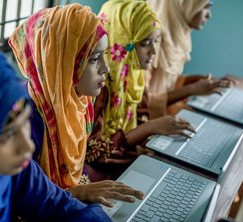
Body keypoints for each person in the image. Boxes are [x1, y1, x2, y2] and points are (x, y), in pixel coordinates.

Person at [0, 41, 111, 221]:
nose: (28, 146)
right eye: (9, 134)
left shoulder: (15, 171)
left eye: (25, 121)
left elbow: (57, 204)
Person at [9, 4, 143, 208]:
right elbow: (17, 200)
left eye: (105, 55)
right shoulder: (25, 119)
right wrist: (75, 193)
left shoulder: (79, 101)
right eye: (95, 59)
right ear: (62, 63)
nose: (106, 68)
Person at [84, 0, 195, 182]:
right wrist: (148, 128)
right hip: (98, 178)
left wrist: (138, 147)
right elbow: (92, 152)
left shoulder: (134, 76)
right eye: (144, 44)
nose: (153, 51)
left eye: (156, 41)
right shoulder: (99, 85)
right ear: (122, 42)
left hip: (124, 165)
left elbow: (141, 116)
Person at [146, 0, 234, 118]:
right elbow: (141, 104)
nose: (209, 15)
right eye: (205, 7)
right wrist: (190, 89)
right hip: (146, 124)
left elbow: (166, 84)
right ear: (184, 6)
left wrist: (197, 81)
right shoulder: (148, 43)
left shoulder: (177, 35)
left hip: (164, 118)